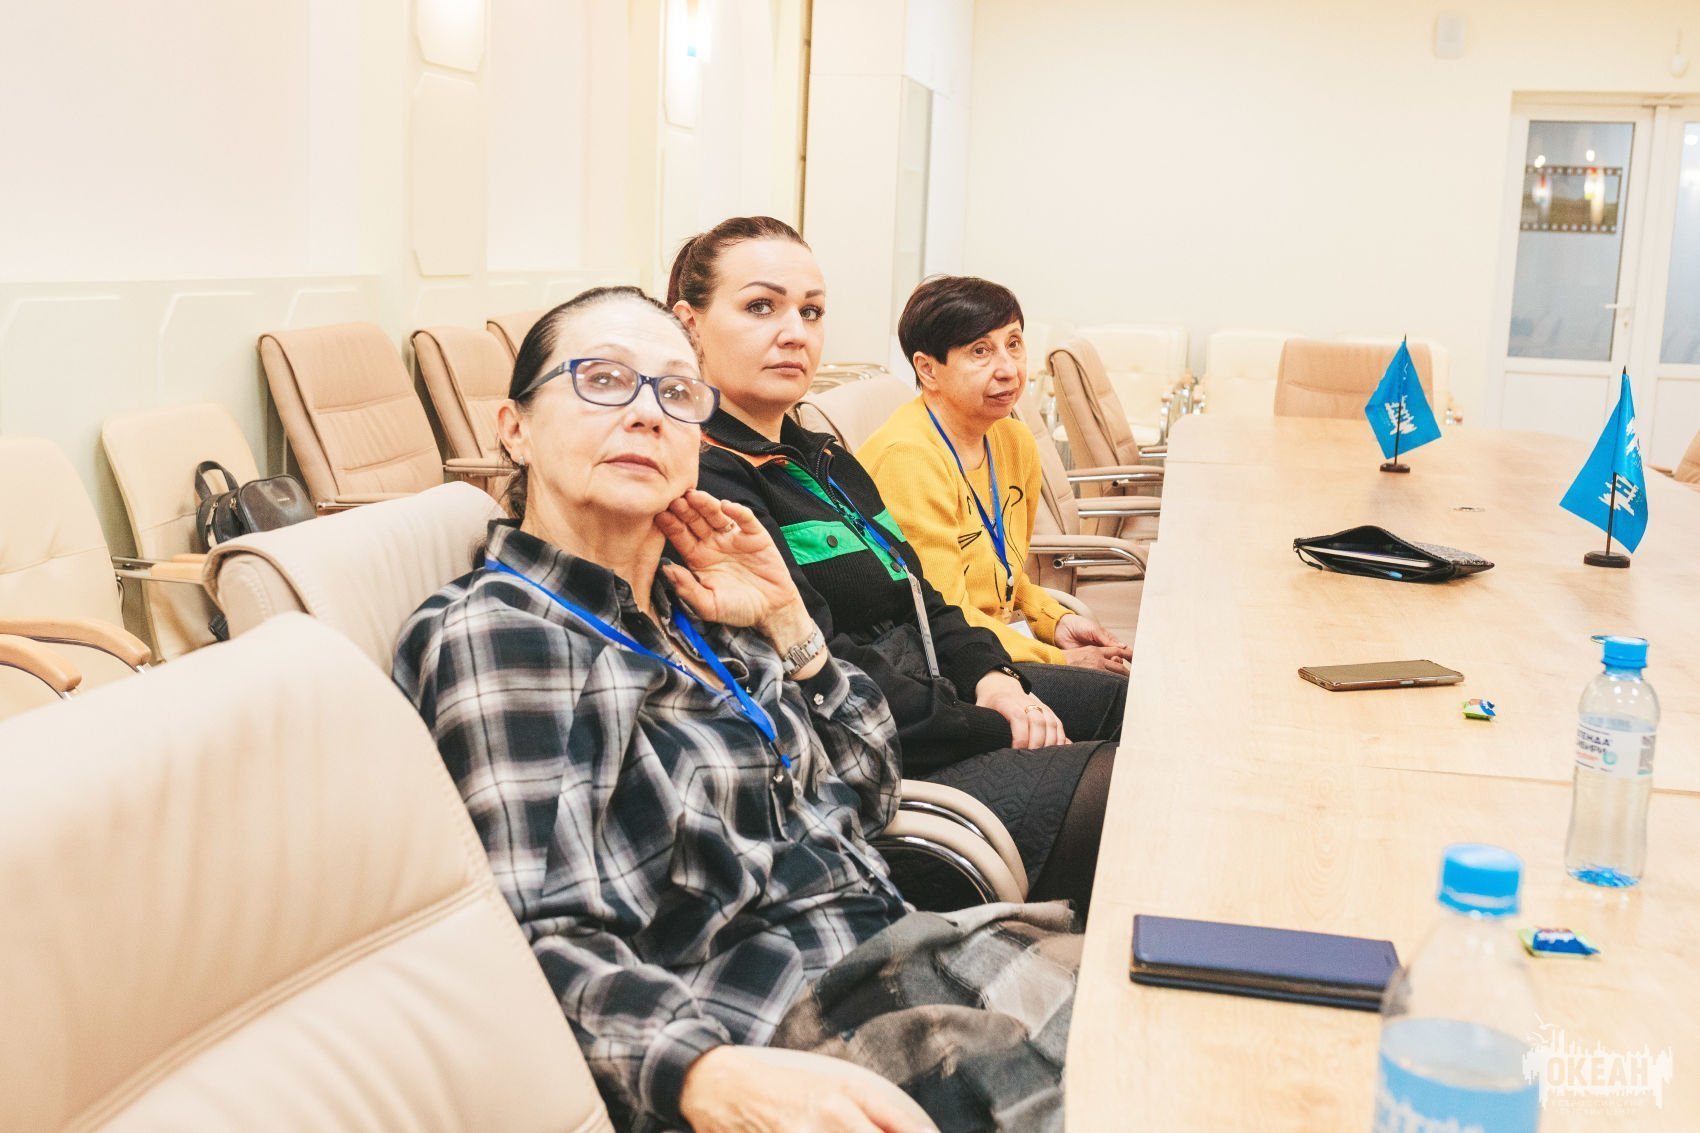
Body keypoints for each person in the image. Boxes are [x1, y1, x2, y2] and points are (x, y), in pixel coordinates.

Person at [393, 286, 1076, 1133]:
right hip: (790, 1030)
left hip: (908, 949)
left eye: (678, 393)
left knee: (1172, 1028)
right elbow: (535, 929)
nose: (647, 413)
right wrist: (702, 1073)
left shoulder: (700, 601)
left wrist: (788, 621)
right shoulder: (507, 631)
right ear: (514, 427)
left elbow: (869, 789)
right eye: (603, 380)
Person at [676, 216, 1119, 916]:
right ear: (690, 325)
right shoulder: (709, 483)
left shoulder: (822, 456)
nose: (794, 332)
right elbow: (825, 669)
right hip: (880, 761)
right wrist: (993, 723)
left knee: (1134, 707)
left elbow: (925, 595)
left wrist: (994, 678)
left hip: (938, 694)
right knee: (1128, 789)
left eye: (811, 311)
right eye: (761, 306)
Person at [860, 275, 1134, 674]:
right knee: (1122, 697)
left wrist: (1055, 620)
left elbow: (1006, 578)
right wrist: (1059, 659)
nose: (1008, 369)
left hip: (997, 639)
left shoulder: (1012, 439)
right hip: (952, 662)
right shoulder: (909, 459)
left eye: (1014, 344)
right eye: (980, 351)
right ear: (928, 369)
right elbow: (943, 617)